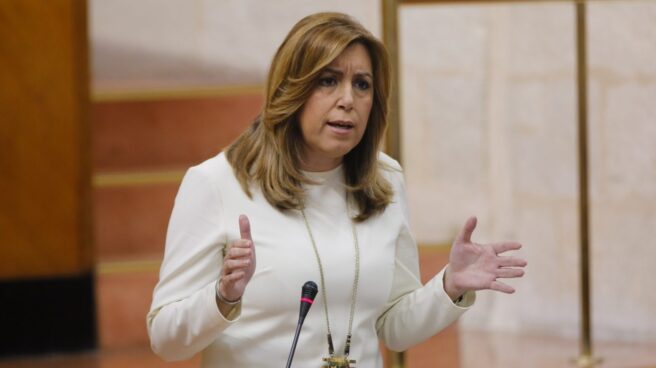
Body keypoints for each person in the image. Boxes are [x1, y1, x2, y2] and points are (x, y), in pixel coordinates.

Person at [147, 12, 527, 368]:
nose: (348, 100)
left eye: (361, 84)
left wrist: (449, 286)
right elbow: (165, 339)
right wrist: (222, 296)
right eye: (328, 81)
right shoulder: (217, 183)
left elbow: (393, 328)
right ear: (291, 90)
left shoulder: (385, 180)